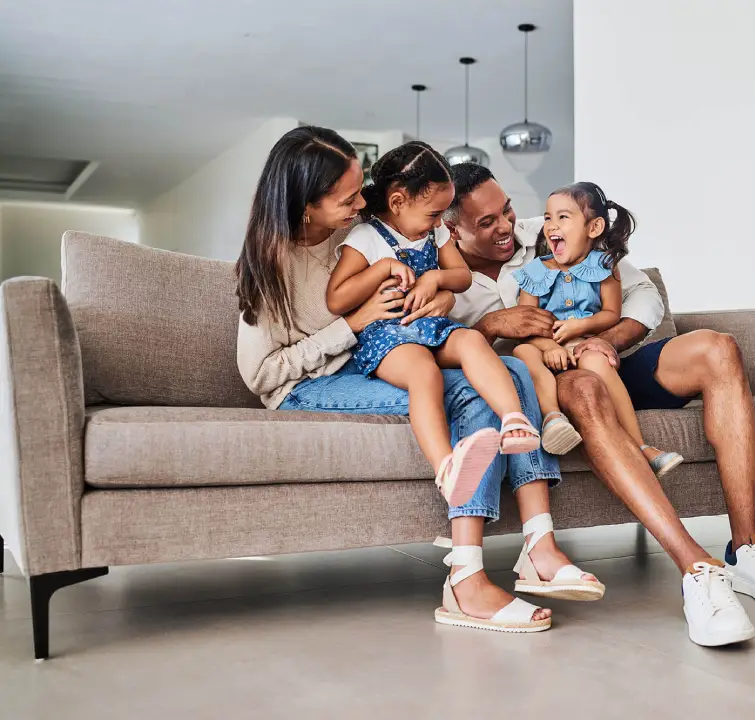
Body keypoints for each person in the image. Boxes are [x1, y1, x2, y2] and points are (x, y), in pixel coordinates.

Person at [235, 127, 602, 636]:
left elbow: (430, 271)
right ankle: (469, 578)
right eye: (347, 197)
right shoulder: (269, 264)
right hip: (309, 382)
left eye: (361, 188)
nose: (362, 202)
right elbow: (261, 375)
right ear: (306, 205)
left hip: (376, 353)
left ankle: (533, 545)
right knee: (460, 384)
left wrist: (441, 299)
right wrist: (351, 326)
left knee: (514, 368)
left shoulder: (358, 229)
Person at [444, 163, 755, 647]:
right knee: (582, 388)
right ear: (453, 229)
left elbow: (642, 295)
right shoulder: (441, 278)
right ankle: (696, 570)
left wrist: (604, 339)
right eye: (486, 222)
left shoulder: (549, 232)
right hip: (553, 382)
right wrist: (493, 327)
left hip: (611, 361)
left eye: (507, 210)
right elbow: (443, 353)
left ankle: (748, 545)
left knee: (717, 348)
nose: (506, 227)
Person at [327, 141, 541, 507]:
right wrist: (381, 269)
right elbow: (336, 299)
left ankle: (514, 420)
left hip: (430, 326)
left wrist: (434, 280)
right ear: (398, 203)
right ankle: (446, 467)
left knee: (473, 341)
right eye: (433, 214)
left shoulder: (435, 233)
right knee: (425, 374)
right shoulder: (365, 239)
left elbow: (461, 276)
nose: (440, 222)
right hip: (388, 337)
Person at [512, 182, 684, 479]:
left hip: (582, 345)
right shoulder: (534, 272)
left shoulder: (605, 267)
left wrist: (582, 326)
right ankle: (553, 418)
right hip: (543, 348)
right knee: (521, 351)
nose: (551, 225)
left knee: (596, 359)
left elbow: (611, 314)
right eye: (548, 217)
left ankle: (642, 448)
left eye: (563, 217)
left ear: (594, 228)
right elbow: (525, 326)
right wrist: (549, 347)